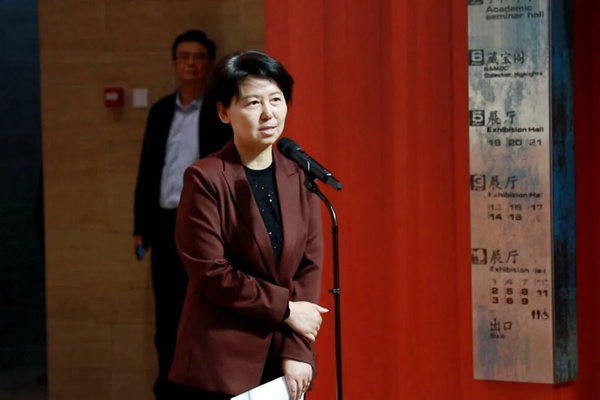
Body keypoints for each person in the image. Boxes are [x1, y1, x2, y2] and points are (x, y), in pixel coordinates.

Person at [169, 50, 328, 400]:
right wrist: (285, 310)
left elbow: (308, 268)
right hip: (220, 363)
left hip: (282, 361)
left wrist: (298, 351)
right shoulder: (206, 179)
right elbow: (211, 272)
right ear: (224, 112)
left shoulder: (299, 175)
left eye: (276, 99)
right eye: (253, 102)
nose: (268, 113)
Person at [133, 29, 230, 399]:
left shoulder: (219, 111)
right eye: (184, 56)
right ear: (175, 63)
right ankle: (170, 390)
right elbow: (147, 170)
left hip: (205, 226)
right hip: (164, 225)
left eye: (199, 57)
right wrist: (141, 226)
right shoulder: (160, 111)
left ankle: (205, 388)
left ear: (209, 64)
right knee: (167, 314)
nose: (191, 63)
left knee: (206, 310)